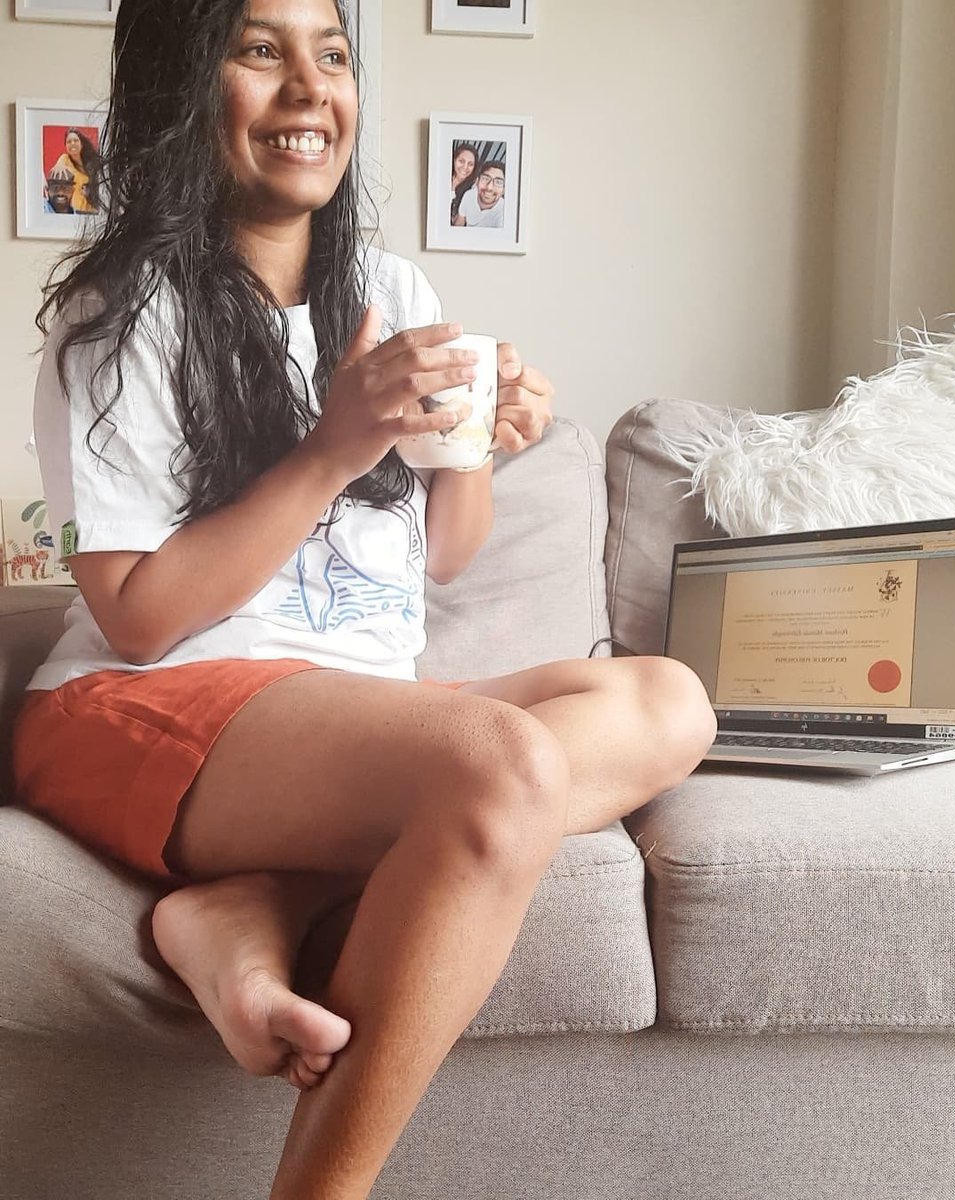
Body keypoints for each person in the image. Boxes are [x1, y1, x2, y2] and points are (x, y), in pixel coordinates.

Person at [13, 0, 717, 1196]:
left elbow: (446, 551)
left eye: (332, 56)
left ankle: (257, 895)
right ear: (184, 87)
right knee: (504, 766)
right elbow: (136, 613)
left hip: (334, 707)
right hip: (142, 703)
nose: (309, 89)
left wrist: (477, 444)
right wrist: (334, 447)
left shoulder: (387, 283)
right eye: (259, 50)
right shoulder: (117, 316)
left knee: (669, 702)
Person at [51, 127, 102, 214]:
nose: (72, 143)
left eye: (75, 140)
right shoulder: (65, 159)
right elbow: (56, 170)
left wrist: (90, 192)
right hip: (75, 211)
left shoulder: (93, 163)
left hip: (92, 212)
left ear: (82, 144)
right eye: (69, 142)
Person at [453, 159, 506, 228]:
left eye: (498, 182)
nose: (489, 187)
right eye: (486, 178)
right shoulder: (469, 195)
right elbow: (459, 223)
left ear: (504, 190)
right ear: (477, 181)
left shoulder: (504, 214)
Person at [449, 141, 478, 224]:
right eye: (461, 161)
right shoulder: (442, 177)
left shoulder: (472, 189)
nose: (465, 167)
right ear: (454, 160)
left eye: (470, 164)